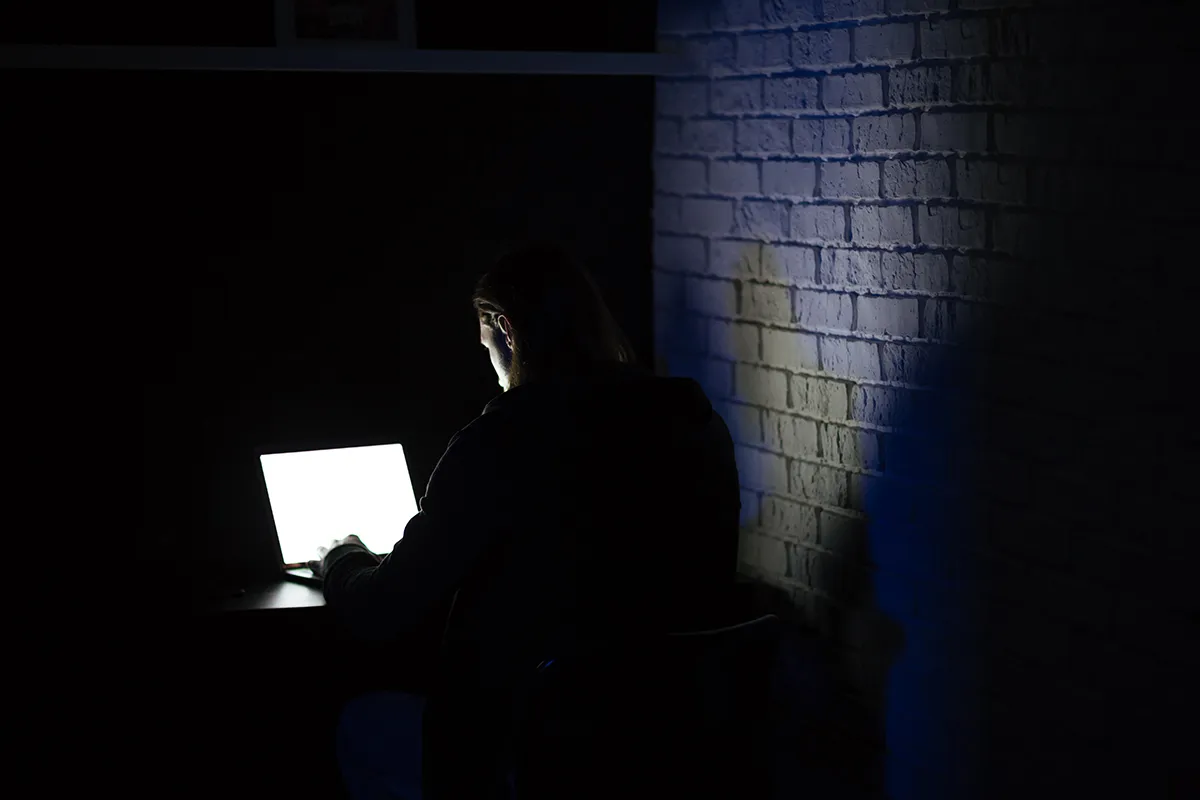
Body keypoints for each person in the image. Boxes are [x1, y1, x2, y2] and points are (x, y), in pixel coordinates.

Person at [311, 243, 742, 799]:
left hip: (530, 745)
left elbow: (382, 608)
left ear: (505, 328)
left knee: (361, 726)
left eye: (486, 344)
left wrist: (342, 557)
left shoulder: (499, 442)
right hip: (675, 740)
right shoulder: (697, 424)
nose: (491, 367)